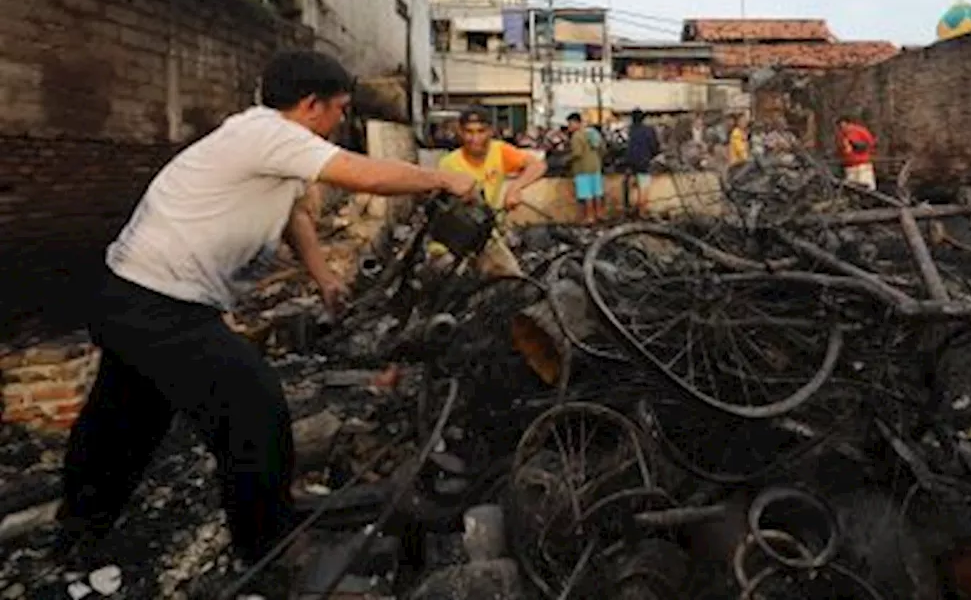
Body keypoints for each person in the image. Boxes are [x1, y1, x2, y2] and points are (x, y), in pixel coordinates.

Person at [59, 50, 478, 567]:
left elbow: (295, 213)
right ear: (310, 104)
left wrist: (323, 277)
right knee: (253, 410)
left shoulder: (267, 140)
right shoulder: (270, 134)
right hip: (160, 304)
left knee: (125, 418)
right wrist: (439, 178)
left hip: (133, 295)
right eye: (340, 108)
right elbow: (362, 174)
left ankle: (78, 535)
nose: (342, 119)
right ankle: (267, 549)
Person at [436, 106, 549, 277]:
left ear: (490, 131)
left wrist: (515, 188)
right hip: (454, 238)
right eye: (469, 132)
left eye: (481, 131)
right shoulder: (448, 163)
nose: (475, 138)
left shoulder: (499, 151)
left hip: (488, 237)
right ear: (460, 132)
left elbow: (538, 165)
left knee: (513, 279)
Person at [568, 113, 604, 223]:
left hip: (582, 168)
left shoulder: (577, 136)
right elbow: (602, 149)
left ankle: (590, 217)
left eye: (570, 123)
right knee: (597, 193)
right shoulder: (593, 133)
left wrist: (568, 159)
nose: (569, 126)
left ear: (576, 123)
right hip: (595, 166)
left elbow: (577, 153)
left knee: (587, 194)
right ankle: (599, 214)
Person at [625, 109, 661, 218]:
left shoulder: (631, 130)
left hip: (631, 162)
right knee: (644, 187)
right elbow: (654, 146)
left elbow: (628, 147)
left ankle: (633, 208)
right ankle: (642, 211)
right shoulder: (649, 130)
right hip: (644, 162)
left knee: (633, 186)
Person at [837, 114, 877, 190]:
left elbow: (871, 143)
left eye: (845, 125)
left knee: (865, 185)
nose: (844, 128)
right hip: (849, 165)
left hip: (862, 164)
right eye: (841, 127)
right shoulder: (841, 135)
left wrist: (859, 147)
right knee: (851, 187)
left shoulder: (860, 131)